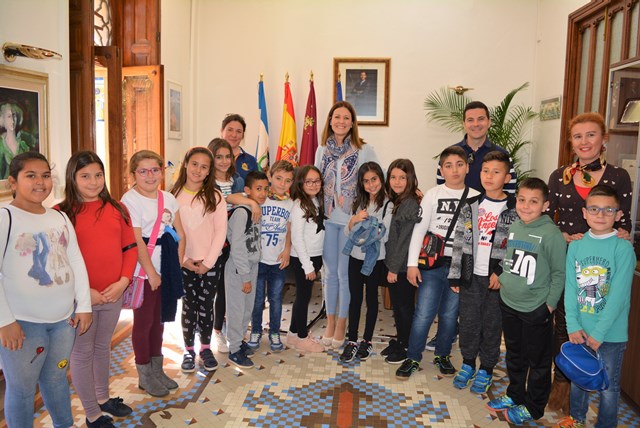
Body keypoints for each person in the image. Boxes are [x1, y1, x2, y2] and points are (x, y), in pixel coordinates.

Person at [546, 112, 632, 413]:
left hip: (604, 259)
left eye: (591, 134)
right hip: (568, 258)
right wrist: (565, 236)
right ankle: (563, 396)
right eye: (578, 136)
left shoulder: (619, 176)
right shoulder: (559, 176)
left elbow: (625, 223)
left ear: (604, 139)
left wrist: (622, 233)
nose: (584, 141)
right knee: (564, 328)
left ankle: (589, 397)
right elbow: (549, 220)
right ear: (571, 142)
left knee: (601, 322)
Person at [0, 151, 92, 428]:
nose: (40, 182)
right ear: (12, 182)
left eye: (45, 175)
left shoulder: (59, 217)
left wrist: (84, 305)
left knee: (56, 378)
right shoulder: (5, 218)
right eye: (31, 176)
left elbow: (75, 259)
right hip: (24, 325)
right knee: (23, 389)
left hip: (64, 321)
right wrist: (5, 321)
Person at [58, 151, 137, 428]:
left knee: (103, 347)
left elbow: (129, 248)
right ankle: (92, 414)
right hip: (82, 300)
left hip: (113, 293)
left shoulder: (117, 209)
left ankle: (103, 399)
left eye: (98, 175)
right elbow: (60, 261)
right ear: (72, 178)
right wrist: (83, 293)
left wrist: (123, 281)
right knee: (82, 352)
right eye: (85, 176)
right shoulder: (61, 213)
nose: (93, 182)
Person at [487, 178, 566, 424]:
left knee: (539, 362)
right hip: (509, 302)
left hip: (536, 308)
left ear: (546, 205)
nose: (526, 206)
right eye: (522, 200)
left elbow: (558, 273)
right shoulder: (516, 226)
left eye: (533, 201)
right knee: (514, 355)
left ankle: (533, 407)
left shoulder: (551, 234)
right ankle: (515, 394)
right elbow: (510, 260)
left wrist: (549, 305)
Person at [397, 146, 480, 379]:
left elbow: (475, 238)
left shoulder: (475, 197)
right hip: (432, 264)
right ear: (441, 169)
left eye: (459, 164)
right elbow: (419, 230)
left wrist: (470, 271)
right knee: (423, 313)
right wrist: (412, 264)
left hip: (458, 265)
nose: (454, 170)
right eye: (448, 165)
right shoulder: (433, 194)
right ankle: (413, 357)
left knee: (450, 315)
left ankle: (442, 354)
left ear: (467, 167)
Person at [555, 185, 635, 428]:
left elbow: (619, 297)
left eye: (608, 210)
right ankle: (577, 419)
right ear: (584, 213)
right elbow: (570, 288)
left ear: (618, 215)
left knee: (608, 386)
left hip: (610, 334)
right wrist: (573, 325)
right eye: (594, 209)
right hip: (580, 330)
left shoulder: (623, 248)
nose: (600, 215)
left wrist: (599, 333)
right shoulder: (576, 246)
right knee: (580, 378)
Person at [447, 151, 517, 392]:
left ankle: (486, 367)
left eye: (496, 172)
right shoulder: (471, 205)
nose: (489, 176)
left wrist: (502, 272)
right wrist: (455, 274)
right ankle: (468, 363)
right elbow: (459, 241)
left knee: (491, 323)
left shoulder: (514, 208)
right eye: (485, 171)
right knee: (468, 321)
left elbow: (517, 245)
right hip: (470, 275)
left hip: (496, 278)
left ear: (507, 177)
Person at [121, 150, 185, 397]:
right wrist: (151, 273)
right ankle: (145, 374)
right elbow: (136, 241)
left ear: (162, 171)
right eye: (143, 171)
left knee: (161, 320)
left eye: (155, 170)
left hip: (166, 265)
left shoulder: (168, 198)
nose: (150, 175)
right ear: (133, 174)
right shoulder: (130, 200)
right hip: (143, 270)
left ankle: (157, 370)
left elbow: (180, 233)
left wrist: (175, 266)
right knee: (144, 322)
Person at [315, 101, 378, 349]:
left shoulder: (363, 149)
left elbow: (377, 181)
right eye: (336, 117)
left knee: (344, 275)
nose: (341, 121)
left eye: (346, 118)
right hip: (329, 220)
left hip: (352, 223)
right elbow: (315, 182)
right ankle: (330, 323)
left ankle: (342, 324)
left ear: (352, 123)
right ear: (330, 120)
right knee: (329, 275)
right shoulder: (322, 150)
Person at [170, 147, 226, 373]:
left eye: (204, 166)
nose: (198, 170)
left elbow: (221, 232)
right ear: (185, 164)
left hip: (209, 263)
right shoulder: (173, 196)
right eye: (194, 164)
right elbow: (170, 234)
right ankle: (188, 350)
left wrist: (207, 262)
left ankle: (205, 348)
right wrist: (183, 259)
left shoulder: (215, 196)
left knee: (206, 306)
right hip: (183, 263)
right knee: (188, 307)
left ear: (209, 171)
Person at [340, 162, 392, 363]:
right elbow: (347, 232)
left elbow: (382, 234)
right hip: (355, 257)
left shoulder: (388, 204)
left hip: (375, 259)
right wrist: (355, 221)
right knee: (355, 299)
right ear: (361, 183)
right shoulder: (357, 202)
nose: (371, 184)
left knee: (371, 299)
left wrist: (363, 229)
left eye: (374, 179)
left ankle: (367, 340)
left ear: (381, 179)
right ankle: (352, 340)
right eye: (366, 181)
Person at [248, 160, 294, 353]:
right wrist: (250, 201)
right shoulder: (260, 198)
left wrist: (287, 250)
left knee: (275, 298)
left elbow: (290, 228)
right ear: (270, 177)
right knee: (257, 300)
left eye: (288, 180)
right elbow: (232, 199)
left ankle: (275, 331)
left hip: (277, 260)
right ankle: (256, 330)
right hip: (258, 260)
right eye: (278, 178)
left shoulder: (291, 203)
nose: (282, 184)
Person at [207, 138, 246, 353]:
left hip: (233, 241)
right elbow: (224, 201)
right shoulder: (206, 181)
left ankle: (225, 327)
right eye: (218, 157)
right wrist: (246, 200)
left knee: (227, 287)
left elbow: (235, 199)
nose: (223, 161)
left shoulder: (237, 180)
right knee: (212, 287)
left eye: (227, 157)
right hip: (213, 241)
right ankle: (214, 331)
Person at [225, 171, 268, 369]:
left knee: (247, 309)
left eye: (266, 189)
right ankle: (234, 350)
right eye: (258, 189)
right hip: (238, 269)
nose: (263, 193)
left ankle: (239, 342)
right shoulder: (242, 212)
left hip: (252, 266)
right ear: (247, 191)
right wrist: (245, 276)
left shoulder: (257, 210)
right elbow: (238, 248)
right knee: (236, 309)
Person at [382, 159, 421, 365]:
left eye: (402, 178)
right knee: (398, 307)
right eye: (393, 177)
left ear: (410, 178)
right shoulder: (399, 200)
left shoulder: (409, 203)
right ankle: (401, 339)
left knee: (405, 308)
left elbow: (405, 240)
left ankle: (407, 346)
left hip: (403, 267)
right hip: (396, 264)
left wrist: (394, 268)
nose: (397, 181)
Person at [436, 101, 517, 194]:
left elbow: (509, 193)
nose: (476, 124)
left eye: (481, 119)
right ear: (464, 124)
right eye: (470, 120)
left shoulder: (503, 155)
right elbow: (441, 190)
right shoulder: (449, 154)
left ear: (489, 122)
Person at [286, 165, 326, 353]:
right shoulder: (299, 205)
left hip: (315, 256)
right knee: (304, 298)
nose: (313, 184)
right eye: (308, 181)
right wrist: (307, 265)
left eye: (317, 180)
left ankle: (293, 334)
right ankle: (302, 337)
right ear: (301, 183)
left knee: (303, 295)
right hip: (304, 258)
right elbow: (297, 238)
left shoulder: (316, 201)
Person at [0, 102, 35, 180]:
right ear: (3, 120)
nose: (12, 120)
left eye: (14, 115)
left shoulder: (24, 144)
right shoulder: (1, 145)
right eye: (9, 116)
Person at [220, 114, 258, 180]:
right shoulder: (210, 156)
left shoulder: (251, 161)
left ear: (243, 135)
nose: (234, 135)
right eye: (230, 130)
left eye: (238, 131)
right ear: (222, 131)